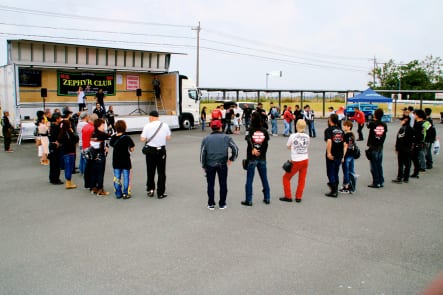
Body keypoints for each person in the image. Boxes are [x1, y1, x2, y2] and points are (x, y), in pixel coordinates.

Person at [200, 120, 239, 210]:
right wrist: (231, 159)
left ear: (211, 128)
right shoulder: (226, 137)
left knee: (210, 184)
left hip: (210, 164)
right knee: (223, 184)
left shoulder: (206, 139)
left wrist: (203, 165)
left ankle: (211, 204)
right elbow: (235, 149)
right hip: (222, 164)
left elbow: (202, 153)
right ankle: (222, 203)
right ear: (220, 127)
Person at [241, 112, 271, 206]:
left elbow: (248, 139)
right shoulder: (264, 130)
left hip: (252, 157)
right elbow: (266, 144)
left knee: (249, 179)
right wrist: (261, 152)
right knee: (264, 178)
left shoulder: (249, 129)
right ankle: (267, 198)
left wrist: (253, 148)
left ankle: (248, 200)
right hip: (262, 157)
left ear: (252, 119)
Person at [140, 110, 171, 199]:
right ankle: (160, 192)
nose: (149, 118)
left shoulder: (147, 126)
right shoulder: (164, 125)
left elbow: (142, 139)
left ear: (152, 117)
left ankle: (151, 189)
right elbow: (168, 137)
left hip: (150, 151)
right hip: (161, 150)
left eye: (149, 117)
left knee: (150, 171)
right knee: (161, 172)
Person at [280, 119, 310, 203]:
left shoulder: (293, 136)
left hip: (296, 160)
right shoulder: (307, 136)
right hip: (305, 159)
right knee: (302, 179)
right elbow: (307, 146)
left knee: (286, 177)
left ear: (297, 126)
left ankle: (288, 196)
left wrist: (293, 148)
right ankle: (298, 196)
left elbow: (288, 146)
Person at [110, 120, 135, 199]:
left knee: (117, 177)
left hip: (116, 160)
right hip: (125, 160)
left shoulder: (113, 137)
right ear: (124, 127)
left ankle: (118, 193)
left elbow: (111, 144)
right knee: (126, 176)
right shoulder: (127, 137)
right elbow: (132, 148)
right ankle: (126, 193)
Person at [324, 113, 344, 197]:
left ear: (330, 120)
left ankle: (334, 189)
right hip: (339, 153)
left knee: (330, 172)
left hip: (332, 153)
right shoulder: (341, 130)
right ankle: (336, 186)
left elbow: (329, 141)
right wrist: (342, 155)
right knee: (336, 171)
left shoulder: (328, 130)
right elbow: (343, 143)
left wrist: (328, 152)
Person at [366, 108, 388, 188]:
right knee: (379, 164)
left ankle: (376, 182)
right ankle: (381, 180)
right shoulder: (384, 124)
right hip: (380, 146)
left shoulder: (373, 123)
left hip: (373, 146)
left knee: (373, 165)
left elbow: (368, 125)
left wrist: (371, 119)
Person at [89, 118, 111, 196]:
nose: (104, 126)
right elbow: (110, 137)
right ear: (98, 125)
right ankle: (100, 189)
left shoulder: (93, 133)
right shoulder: (102, 134)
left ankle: (93, 187)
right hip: (100, 155)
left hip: (93, 155)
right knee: (101, 173)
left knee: (94, 172)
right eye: (102, 125)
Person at [392, 115, 413, 184]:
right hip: (409, 148)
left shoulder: (402, 129)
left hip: (402, 149)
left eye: (402, 120)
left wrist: (397, 148)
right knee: (408, 164)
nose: (401, 121)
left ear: (405, 120)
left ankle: (399, 177)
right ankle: (406, 178)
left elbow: (399, 139)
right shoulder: (411, 129)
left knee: (401, 164)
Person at [58, 119, 79, 189]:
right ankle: (68, 182)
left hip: (64, 152)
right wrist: (72, 132)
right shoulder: (69, 133)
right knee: (69, 167)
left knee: (67, 167)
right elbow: (76, 139)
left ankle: (68, 181)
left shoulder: (62, 132)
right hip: (70, 152)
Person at [339, 120, 357, 193]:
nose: (344, 127)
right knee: (351, 170)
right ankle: (352, 185)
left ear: (349, 127)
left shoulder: (346, 135)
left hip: (347, 154)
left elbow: (345, 146)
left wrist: (342, 156)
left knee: (346, 171)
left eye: (345, 125)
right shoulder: (352, 134)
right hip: (351, 154)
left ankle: (346, 186)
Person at [82, 114, 98, 190]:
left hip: (85, 148)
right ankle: (93, 184)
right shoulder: (93, 128)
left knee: (87, 167)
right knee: (93, 168)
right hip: (91, 149)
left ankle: (87, 183)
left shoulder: (85, 127)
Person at [410, 109, 427, 178]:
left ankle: (415, 172)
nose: (414, 115)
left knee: (414, 158)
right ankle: (416, 172)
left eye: (415, 114)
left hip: (416, 143)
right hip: (420, 142)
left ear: (418, 115)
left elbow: (415, 134)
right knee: (416, 158)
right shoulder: (423, 123)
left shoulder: (418, 124)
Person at [48, 112, 63, 184]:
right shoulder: (55, 127)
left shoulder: (52, 126)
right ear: (57, 119)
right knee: (56, 163)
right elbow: (56, 137)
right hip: (55, 146)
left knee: (53, 163)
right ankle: (55, 179)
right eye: (60, 118)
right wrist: (57, 141)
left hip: (52, 145)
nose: (60, 119)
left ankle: (52, 178)